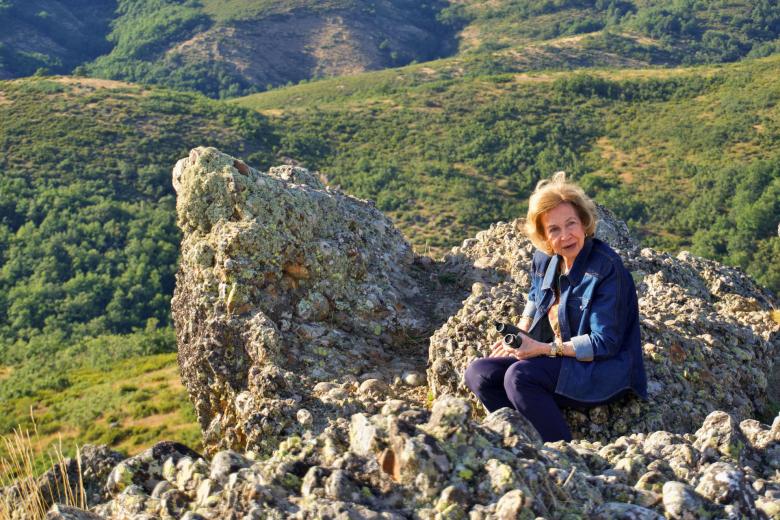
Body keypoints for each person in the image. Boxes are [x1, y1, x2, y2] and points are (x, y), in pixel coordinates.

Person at [464, 172, 647, 442]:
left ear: (584, 223)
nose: (566, 236)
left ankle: (560, 452)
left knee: (519, 376)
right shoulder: (546, 258)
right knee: (479, 373)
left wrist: (542, 349)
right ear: (545, 237)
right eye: (554, 230)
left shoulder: (607, 270)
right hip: (558, 361)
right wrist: (522, 331)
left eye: (571, 223)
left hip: (601, 370)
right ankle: (522, 440)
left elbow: (605, 342)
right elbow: (535, 295)